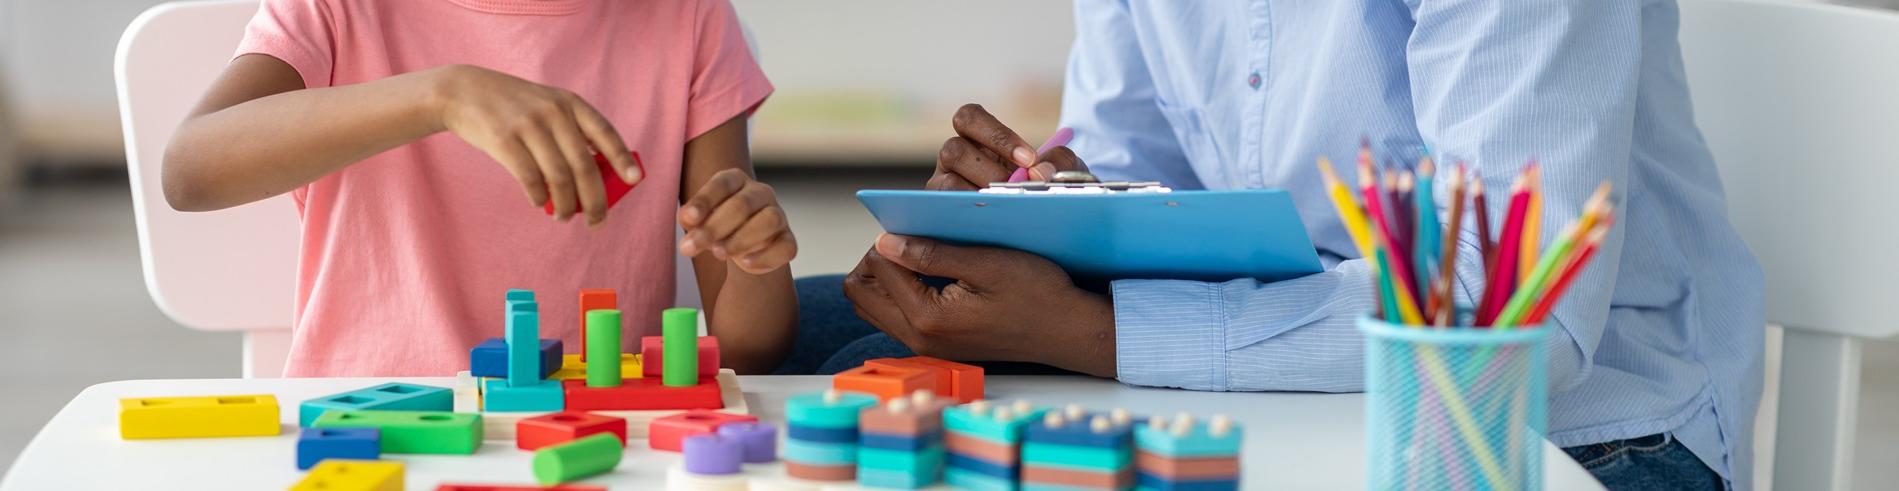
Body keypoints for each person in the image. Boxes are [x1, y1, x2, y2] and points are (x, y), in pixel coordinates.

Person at [829, 1, 1763, 489]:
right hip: (1296, 397)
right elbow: (1132, 161)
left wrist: (1090, 334)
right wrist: (1050, 206)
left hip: (1576, 443)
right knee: (834, 340)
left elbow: (1517, 315)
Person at [163, 0, 799, 377]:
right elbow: (191, 169)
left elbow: (750, 350)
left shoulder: (688, 15)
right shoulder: (341, 9)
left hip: (598, 428)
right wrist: (438, 95)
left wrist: (756, 258)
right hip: (370, 424)